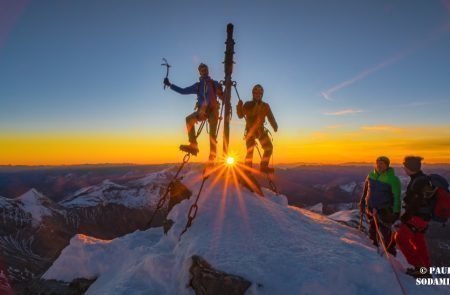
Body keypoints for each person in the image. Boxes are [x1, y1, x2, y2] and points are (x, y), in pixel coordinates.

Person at [164, 63, 223, 165]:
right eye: (202, 70)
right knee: (189, 120)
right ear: (199, 72)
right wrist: (170, 85)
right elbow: (183, 91)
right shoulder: (198, 86)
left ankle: (212, 157)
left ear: (208, 71)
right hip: (202, 111)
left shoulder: (214, 83)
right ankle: (193, 145)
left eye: (205, 69)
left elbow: (222, 96)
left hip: (213, 111)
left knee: (212, 135)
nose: (204, 71)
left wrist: (222, 91)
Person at [395, 156, 432, 277]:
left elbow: (416, 203)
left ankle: (419, 268)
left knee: (400, 238)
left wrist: (405, 217)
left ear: (409, 168)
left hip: (417, 217)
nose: (404, 169)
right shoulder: (421, 179)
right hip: (424, 217)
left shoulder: (418, 181)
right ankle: (425, 269)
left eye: (404, 166)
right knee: (418, 241)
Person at [359, 156, 401, 255]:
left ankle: (390, 251)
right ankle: (373, 247)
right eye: (378, 163)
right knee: (372, 228)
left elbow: (396, 196)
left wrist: (396, 212)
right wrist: (362, 202)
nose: (379, 165)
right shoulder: (370, 175)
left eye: (382, 163)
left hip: (384, 211)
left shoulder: (393, 179)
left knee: (385, 231)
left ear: (387, 165)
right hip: (371, 208)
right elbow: (365, 191)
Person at [236, 84, 278, 174]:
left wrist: (274, 125)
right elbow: (240, 115)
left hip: (260, 130)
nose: (258, 95)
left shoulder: (265, 106)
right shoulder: (248, 104)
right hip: (250, 131)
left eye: (260, 94)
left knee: (269, 147)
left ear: (262, 95)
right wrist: (239, 106)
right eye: (256, 94)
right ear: (253, 94)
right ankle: (247, 170)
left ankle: (264, 166)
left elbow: (270, 117)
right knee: (250, 150)